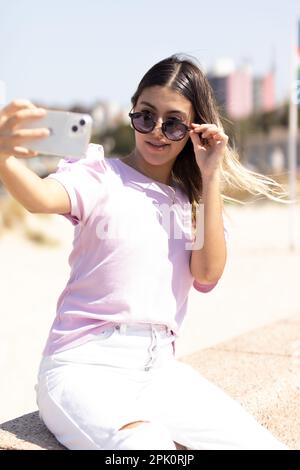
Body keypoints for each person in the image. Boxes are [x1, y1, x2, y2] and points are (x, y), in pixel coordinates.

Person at [0, 54, 289, 450]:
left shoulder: (194, 201)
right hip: (82, 367)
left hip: (160, 373)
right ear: (132, 110)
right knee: (147, 451)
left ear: (193, 130)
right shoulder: (98, 174)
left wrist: (210, 174)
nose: (156, 131)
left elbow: (206, 274)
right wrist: (3, 156)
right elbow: (38, 197)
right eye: (145, 116)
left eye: (173, 124)